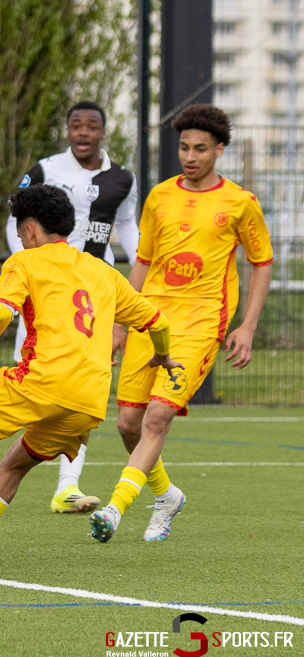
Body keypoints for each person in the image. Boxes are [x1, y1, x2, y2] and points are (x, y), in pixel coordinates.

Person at [0, 184, 178, 577]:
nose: (22, 240)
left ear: (33, 231)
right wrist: (161, 354)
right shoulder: (103, 272)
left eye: (22, 233)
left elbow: (0, 313)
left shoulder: (25, 262)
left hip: (41, 382)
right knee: (14, 466)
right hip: (89, 401)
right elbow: (157, 321)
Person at [91, 103, 274, 544]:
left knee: (157, 419)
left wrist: (246, 327)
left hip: (201, 323)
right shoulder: (160, 196)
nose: (190, 157)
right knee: (127, 425)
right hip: (150, 320)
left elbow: (262, 263)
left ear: (219, 150)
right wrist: (121, 323)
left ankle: (115, 509)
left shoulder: (240, 204)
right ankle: (166, 495)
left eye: (200, 149)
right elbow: (144, 261)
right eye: (184, 148)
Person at [7, 101, 139, 514]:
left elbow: (129, 227)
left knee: (82, 387)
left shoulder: (123, 179)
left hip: (91, 295)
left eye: (91, 126)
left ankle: (68, 487)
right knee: (22, 373)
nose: (83, 132)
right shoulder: (46, 170)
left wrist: (145, 267)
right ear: (67, 131)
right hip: (46, 289)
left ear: (103, 132)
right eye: (76, 125)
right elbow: (15, 217)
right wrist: (27, 265)